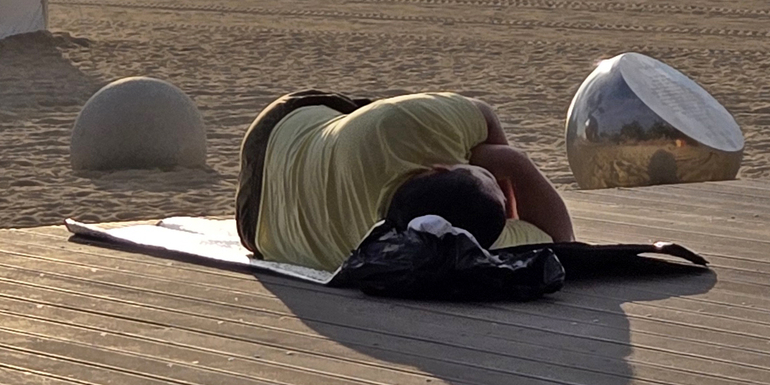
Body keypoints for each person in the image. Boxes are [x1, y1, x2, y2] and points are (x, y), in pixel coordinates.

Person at [236, 91, 575, 272]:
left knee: (366, 117)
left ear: (440, 170)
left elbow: (483, 113)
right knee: (361, 125)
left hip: (280, 127)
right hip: (256, 228)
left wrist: (506, 159)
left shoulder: (412, 121)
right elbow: (561, 240)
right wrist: (510, 194)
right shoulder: (407, 250)